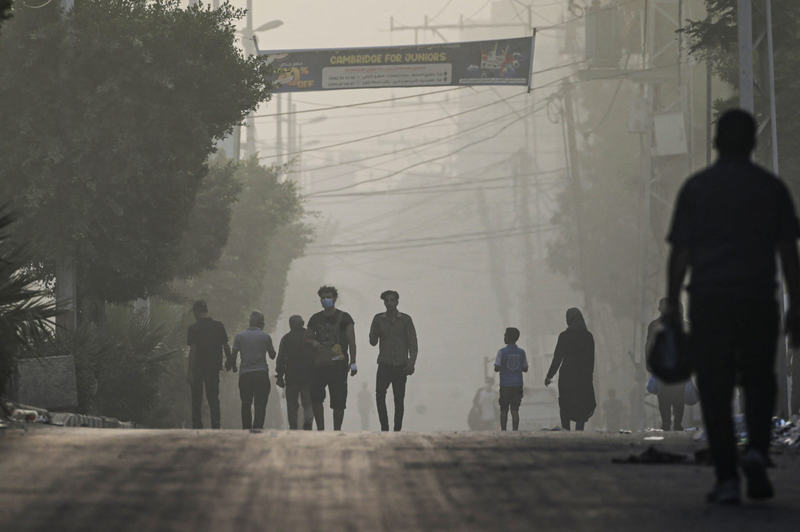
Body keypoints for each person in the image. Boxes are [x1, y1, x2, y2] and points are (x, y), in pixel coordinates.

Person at [665, 109, 800, 504]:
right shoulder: (771, 188)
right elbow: (788, 253)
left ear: (716, 143)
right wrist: (797, 305)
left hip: (709, 301)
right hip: (759, 299)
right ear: (754, 144)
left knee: (716, 387)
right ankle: (757, 450)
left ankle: (726, 477)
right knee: (760, 378)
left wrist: (672, 303)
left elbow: (681, 253)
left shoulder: (697, 189)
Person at [306, 285, 357, 431]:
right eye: (322, 298)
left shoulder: (345, 318)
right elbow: (306, 338)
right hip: (319, 365)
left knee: (339, 400)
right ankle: (320, 429)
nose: (325, 300)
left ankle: (337, 430)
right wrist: (313, 342)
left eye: (328, 297)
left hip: (339, 365)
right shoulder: (315, 318)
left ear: (335, 298)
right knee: (316, 397)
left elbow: (352, 341)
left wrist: (353, 363)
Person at [369, 290, 418, 432]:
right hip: (384, 363)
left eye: (392, 300)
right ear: (384, 302)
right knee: (380, 395)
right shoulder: (378, 319)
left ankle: (397, 429)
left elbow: (412, 343)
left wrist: (411, 362)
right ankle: (384, 427)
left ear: (397, 302)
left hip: (400, 364)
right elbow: (372, 342)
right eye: (387, 300)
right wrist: (375, 331)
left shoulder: (405, 320)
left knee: (399, 399)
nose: (389, 303)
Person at [545, 308, 596, 431]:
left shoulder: (564, 336)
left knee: (565, 401)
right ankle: (579, 429)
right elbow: (591, 359)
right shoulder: (588, 336)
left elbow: (557, 358)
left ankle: (565, 428)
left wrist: (549, 375)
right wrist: (590, 376)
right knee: (582, 402)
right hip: (583, 375)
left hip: (567, 375)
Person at [645, 298, 689, 431]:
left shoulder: (655, 324)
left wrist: (648, 362)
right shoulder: (685, 325)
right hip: (679, 366)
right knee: (679, 395)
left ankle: (666, 422)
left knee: (663, 395)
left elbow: (649, 345)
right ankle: (677, 423)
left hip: (662, 365)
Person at [186, 300, 231, 429]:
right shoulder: (218, 325)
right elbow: (226, 346)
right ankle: (216, 425)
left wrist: (189, 371)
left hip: (198, 369)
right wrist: (229, 360)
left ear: (196, 311)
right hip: (213, 368)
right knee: (213, 398)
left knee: (197, 400)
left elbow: (193, 350)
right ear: (206, 310)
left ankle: (197, 426)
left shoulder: (193, 328)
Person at [228, 311, 276, 430]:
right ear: (261, 323)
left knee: (246, 404)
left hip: (245, 375)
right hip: (261, 374)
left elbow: (233, 355)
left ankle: (246, 429)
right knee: (260, 405)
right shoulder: (265, 337)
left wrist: (234, 367)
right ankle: (258, 428)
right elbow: (272, 355)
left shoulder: (240, 336)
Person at [276, 315, 315, 430]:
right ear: (303, 323)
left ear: (290, 325)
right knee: (307, 403)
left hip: (291, 377)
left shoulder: (286, 338)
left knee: (292, 405)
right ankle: (308, 423)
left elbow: (281, 358)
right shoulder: (311, 337)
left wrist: (280, 376)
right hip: (308, 376)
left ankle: (293, 426)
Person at [493, 327, 528, 431]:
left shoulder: (501, 352)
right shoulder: (521, 352)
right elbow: (525, 368)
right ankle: (515, 431)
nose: (504, 337)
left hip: (505, 385)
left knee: (503, 409)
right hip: (517, 384)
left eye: (505, 335)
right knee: (515, 410)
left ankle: (503, 431)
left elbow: (496, 368)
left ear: (508, 337)